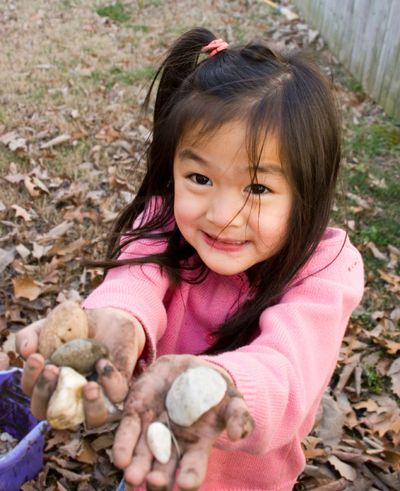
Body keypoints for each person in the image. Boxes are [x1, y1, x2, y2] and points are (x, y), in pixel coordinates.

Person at [16, 27, 364, 491]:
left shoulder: (325, 267)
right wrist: (117, 319)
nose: (222, 216)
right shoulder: (162, 221)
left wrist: (216, 383)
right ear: (172, 165)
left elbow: (287, 373)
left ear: (307, 190)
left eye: (258, 188)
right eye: (199, 177)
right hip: (147, 465)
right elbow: (134, 283)